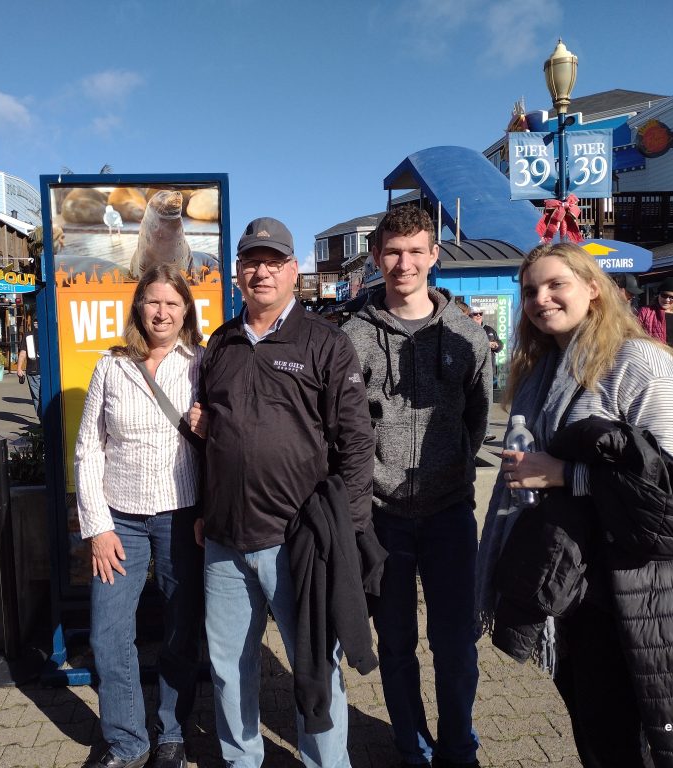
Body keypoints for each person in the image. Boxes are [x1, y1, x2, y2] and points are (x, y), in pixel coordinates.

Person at [476, 243, 673, 768]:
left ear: (593, 288)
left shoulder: (641, 364)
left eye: (555, 284)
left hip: (634, 586)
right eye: (530, 291)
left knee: (644, 738)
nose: (541, 299)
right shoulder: (541, 369)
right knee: (595, 728)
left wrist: (567, 474)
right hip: (566, 579)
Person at [195, 217, 374, 768]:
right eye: (252, 261)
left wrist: (348, 530)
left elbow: (356, 440)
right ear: (238, 274)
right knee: (229, 668)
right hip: (225, 541)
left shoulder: (325, 342)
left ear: (294, 271)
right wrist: (206, 507)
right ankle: (240, 760)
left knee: (315, 666)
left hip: (298, 540)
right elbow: (210, 437)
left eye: (274, 261)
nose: (262, 271)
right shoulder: (220, 344)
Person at [342, 206, 490, 768]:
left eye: (415, 251)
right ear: (378, 257)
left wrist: (452, 463)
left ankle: (458, 746)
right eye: (393, 252)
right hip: (383, 517)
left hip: (450, 510)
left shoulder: (465, 334)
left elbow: (478, 416)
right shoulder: (353, 337)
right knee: (397, 644)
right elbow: (345, 426)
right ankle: (412, 744)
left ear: (433, 255)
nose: (403, 263)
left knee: (455, 643)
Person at [74, 263, 205, 768]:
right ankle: (128, 742)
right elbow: (89, 450)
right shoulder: (111, 366)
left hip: (182, 516)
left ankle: (171, 733)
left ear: (186, 310)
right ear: (138, 307)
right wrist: (99, 527)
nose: (162, 312)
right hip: (120, 520)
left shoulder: (201, 363)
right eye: (153, 301)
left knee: (180, 630)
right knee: (108, 634)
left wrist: (210, 422)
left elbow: (226, 442)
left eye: (173, 303)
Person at [470, 305, 503, 389]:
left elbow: (500, 345)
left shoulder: (489, 329)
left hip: (489, 371)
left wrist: (496, 345)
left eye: (480, 314)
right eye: (475, 314)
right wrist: (486, 344)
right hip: (473, 372)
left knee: (491, 397)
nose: (478, 316)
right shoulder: (467, 329)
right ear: (470, 316)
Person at [16, 317, 41, 418]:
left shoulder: (28, 336)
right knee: (43, 397)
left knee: (36, 397)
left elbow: (22, 353)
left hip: (33, 370)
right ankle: (45, 421)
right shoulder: (50, 333)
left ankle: (42, 421)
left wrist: (19, 368)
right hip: (44, 371)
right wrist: (19, 368)